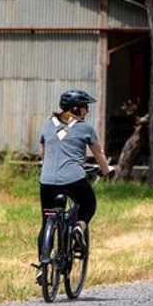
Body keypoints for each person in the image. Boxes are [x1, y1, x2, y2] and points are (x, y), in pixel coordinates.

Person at [36, 89, 111, 280]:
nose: (87, 111)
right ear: (76, 109)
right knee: (88, 204)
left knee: (46, 223)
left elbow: (43, 155)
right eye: (86, 107)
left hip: (47, 181)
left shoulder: (47, 125)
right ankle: (79, 227)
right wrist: (106, 171)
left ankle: (41, 267)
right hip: (73, 179)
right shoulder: (85, 128)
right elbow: (99, 154)